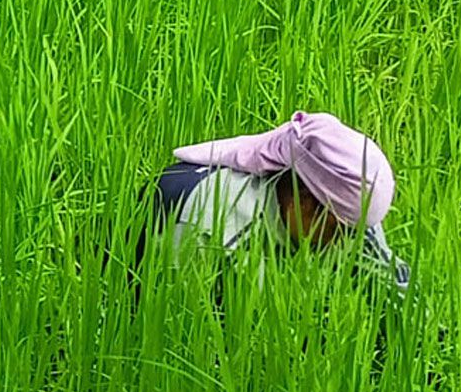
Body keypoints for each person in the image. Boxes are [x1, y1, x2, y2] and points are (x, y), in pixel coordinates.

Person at [139, 111, 410, 291]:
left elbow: (401, 297)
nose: (346, 242)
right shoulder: (208, 228)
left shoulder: (344, 212)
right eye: (340, 230)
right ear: (304, 198)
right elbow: (175, 335)